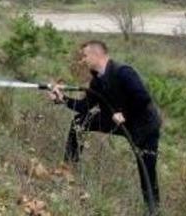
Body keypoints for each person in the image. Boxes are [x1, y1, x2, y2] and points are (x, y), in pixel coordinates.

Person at [48, 40, 162, 214]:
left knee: (146, 168)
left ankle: (153, 210)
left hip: (144, 126)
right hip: (117, 121)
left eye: (85, 56)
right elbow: (84, 107)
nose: (82, 60)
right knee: (80, 121)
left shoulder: (123, 72)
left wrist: (125, 114)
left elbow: (143, 98)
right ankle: (69, 166)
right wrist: (62, 99)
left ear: (97, 54)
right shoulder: (97, 82)